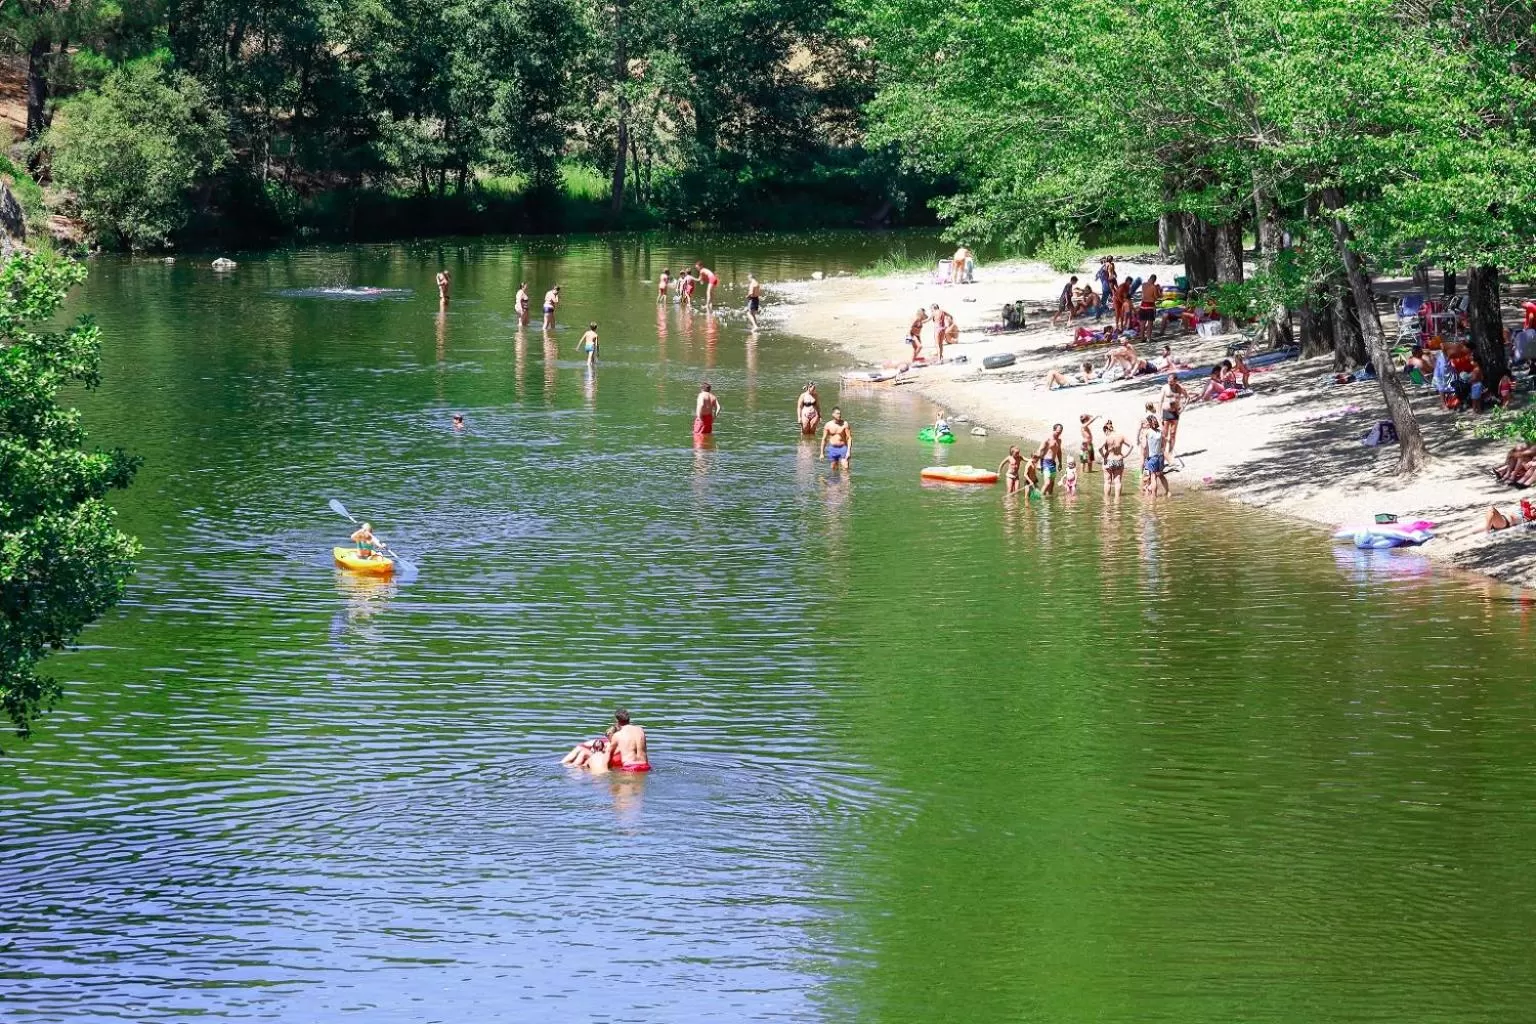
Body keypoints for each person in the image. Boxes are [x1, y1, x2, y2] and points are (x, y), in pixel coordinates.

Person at [1099, 419, 1132, 497]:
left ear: (1106, 429)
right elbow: (1131, 445)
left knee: (1107, 482)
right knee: (1118, 482)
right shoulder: (1121, 436)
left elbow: (1099, 448)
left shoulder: (1107, 437)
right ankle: (1117, 502)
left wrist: (1103, 456)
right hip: (1118, 460)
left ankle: (1107, 502)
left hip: (1108, 461)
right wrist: (1126, 455)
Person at [1141, 414, 1169, 496]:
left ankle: (1154, 496)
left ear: (1149, 423)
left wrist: (1143, 437)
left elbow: (1144, 446)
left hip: (1151, 457)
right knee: (1159, 475)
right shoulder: (1160, 432)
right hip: (1160, 457)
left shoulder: (1147, 432)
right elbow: (1163, 445)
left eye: (1147, 422)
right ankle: (1166, 491)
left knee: (1152, 477)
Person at [1159, 372, 1187, 456]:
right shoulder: (1164, 388)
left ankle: (1170, 452)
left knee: (1173, 433)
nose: (1170, 383)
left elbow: (1187, 397)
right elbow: (1160, 401)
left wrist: (1182, 408)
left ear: (1175, 381)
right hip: (1166, 412)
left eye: (1171, 381)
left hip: (1175, 412)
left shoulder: (1180, 388)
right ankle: (1162, 452)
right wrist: (1159, 414)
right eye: (1168, 381)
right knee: (1164, 434)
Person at [1038, 423, 1065, 496]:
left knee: (1051, 485)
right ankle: (1039, 499)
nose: (1059, 433)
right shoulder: (1047, 439)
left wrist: (1060, 463)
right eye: (1058, 431)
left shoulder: (1059, 440)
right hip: (1045, 463)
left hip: (1053, 463)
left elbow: (1059, 452)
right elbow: (1040, 450)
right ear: (1054, 430)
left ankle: (1048, 502)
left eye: (1061, 431)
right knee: (1047, 483)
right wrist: (1039, 464)